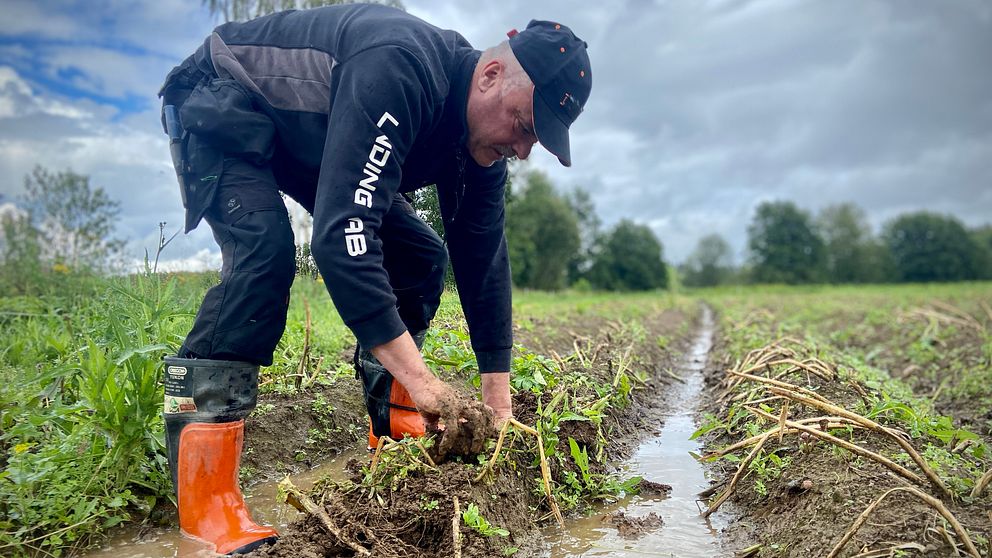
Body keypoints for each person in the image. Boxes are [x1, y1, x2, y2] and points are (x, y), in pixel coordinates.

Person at [158, 3, 591, 554]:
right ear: (490, 76)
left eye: (538, 142)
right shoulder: (401, 67)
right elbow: (343, 238)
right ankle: (206, 499)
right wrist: (427, 379)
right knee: (263, 257)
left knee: (420, 258)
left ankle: (393, 418)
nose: (524, 149)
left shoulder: (480, 152)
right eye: (525, 126)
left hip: (307, 137)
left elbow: (484, 269)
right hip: (220, 98)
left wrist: (499, 406)